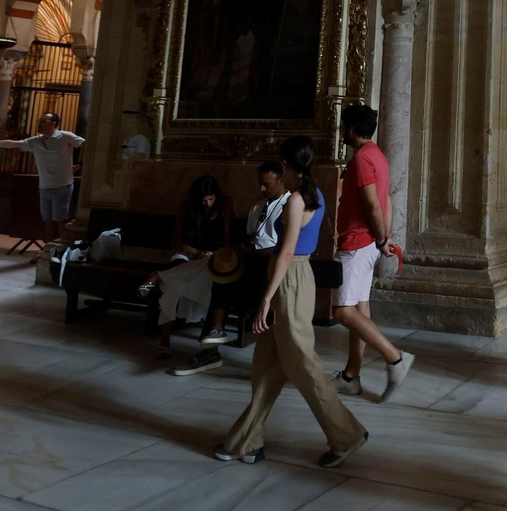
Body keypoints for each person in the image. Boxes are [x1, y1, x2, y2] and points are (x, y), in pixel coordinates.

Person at [215, 136, 368, 469]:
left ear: (286, 164)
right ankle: (247, 441)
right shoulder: (315, 194)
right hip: (295, 277)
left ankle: (347, 435)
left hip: (291, 280)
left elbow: (286, 253)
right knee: (267, 366)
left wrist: (266, 299)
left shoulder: (296, 200)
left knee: (303, 365)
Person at [163, 162, 288, 376]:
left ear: (281, 180)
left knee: (233, 281)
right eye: (260, 184)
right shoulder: (258, 206)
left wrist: (249, 252)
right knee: (221, 277)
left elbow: (282, 250)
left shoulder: (290, 205)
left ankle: (215, 342)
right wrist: (243, 250)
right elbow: (251, 239)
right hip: (251, 260)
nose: (261, 189)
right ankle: (211, 343)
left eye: (266, 184)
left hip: (274, 268)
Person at [329, 104, 415, 400]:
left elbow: (372, 204)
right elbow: (386, 202)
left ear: (350, 129)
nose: (342, 132)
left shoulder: (363, 159)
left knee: (342, 311)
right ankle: (351, 376)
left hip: (356, 243)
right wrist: (383, 238)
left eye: (343, 127)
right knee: (359, 310)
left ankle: (396, 358)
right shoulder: (376, 155)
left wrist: (380, 238)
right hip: (368, 243)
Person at [145, 175, 234, 361]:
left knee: (174, 277)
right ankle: (164, 340)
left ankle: (159, 275)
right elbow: (176, 240)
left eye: (211, 199)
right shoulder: (187, 206)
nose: (208, 204)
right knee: (172, 287)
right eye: (203, 201)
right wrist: (192, 251)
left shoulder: (225, 204)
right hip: (188, 254)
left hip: (212, 257)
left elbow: (228, 240)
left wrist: (212, 252)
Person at [0, 111, 84, 242]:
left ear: (54, 124)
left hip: (63, 184)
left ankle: (62, 248)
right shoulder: (36, 141)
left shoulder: (65, 137)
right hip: (45, 186)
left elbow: (85, 144)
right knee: (47, 220)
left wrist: (80, 164)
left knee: (60, 219)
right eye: (39, 121)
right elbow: (12, 144)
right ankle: (47, 249)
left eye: (43, 121)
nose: (39, 124)